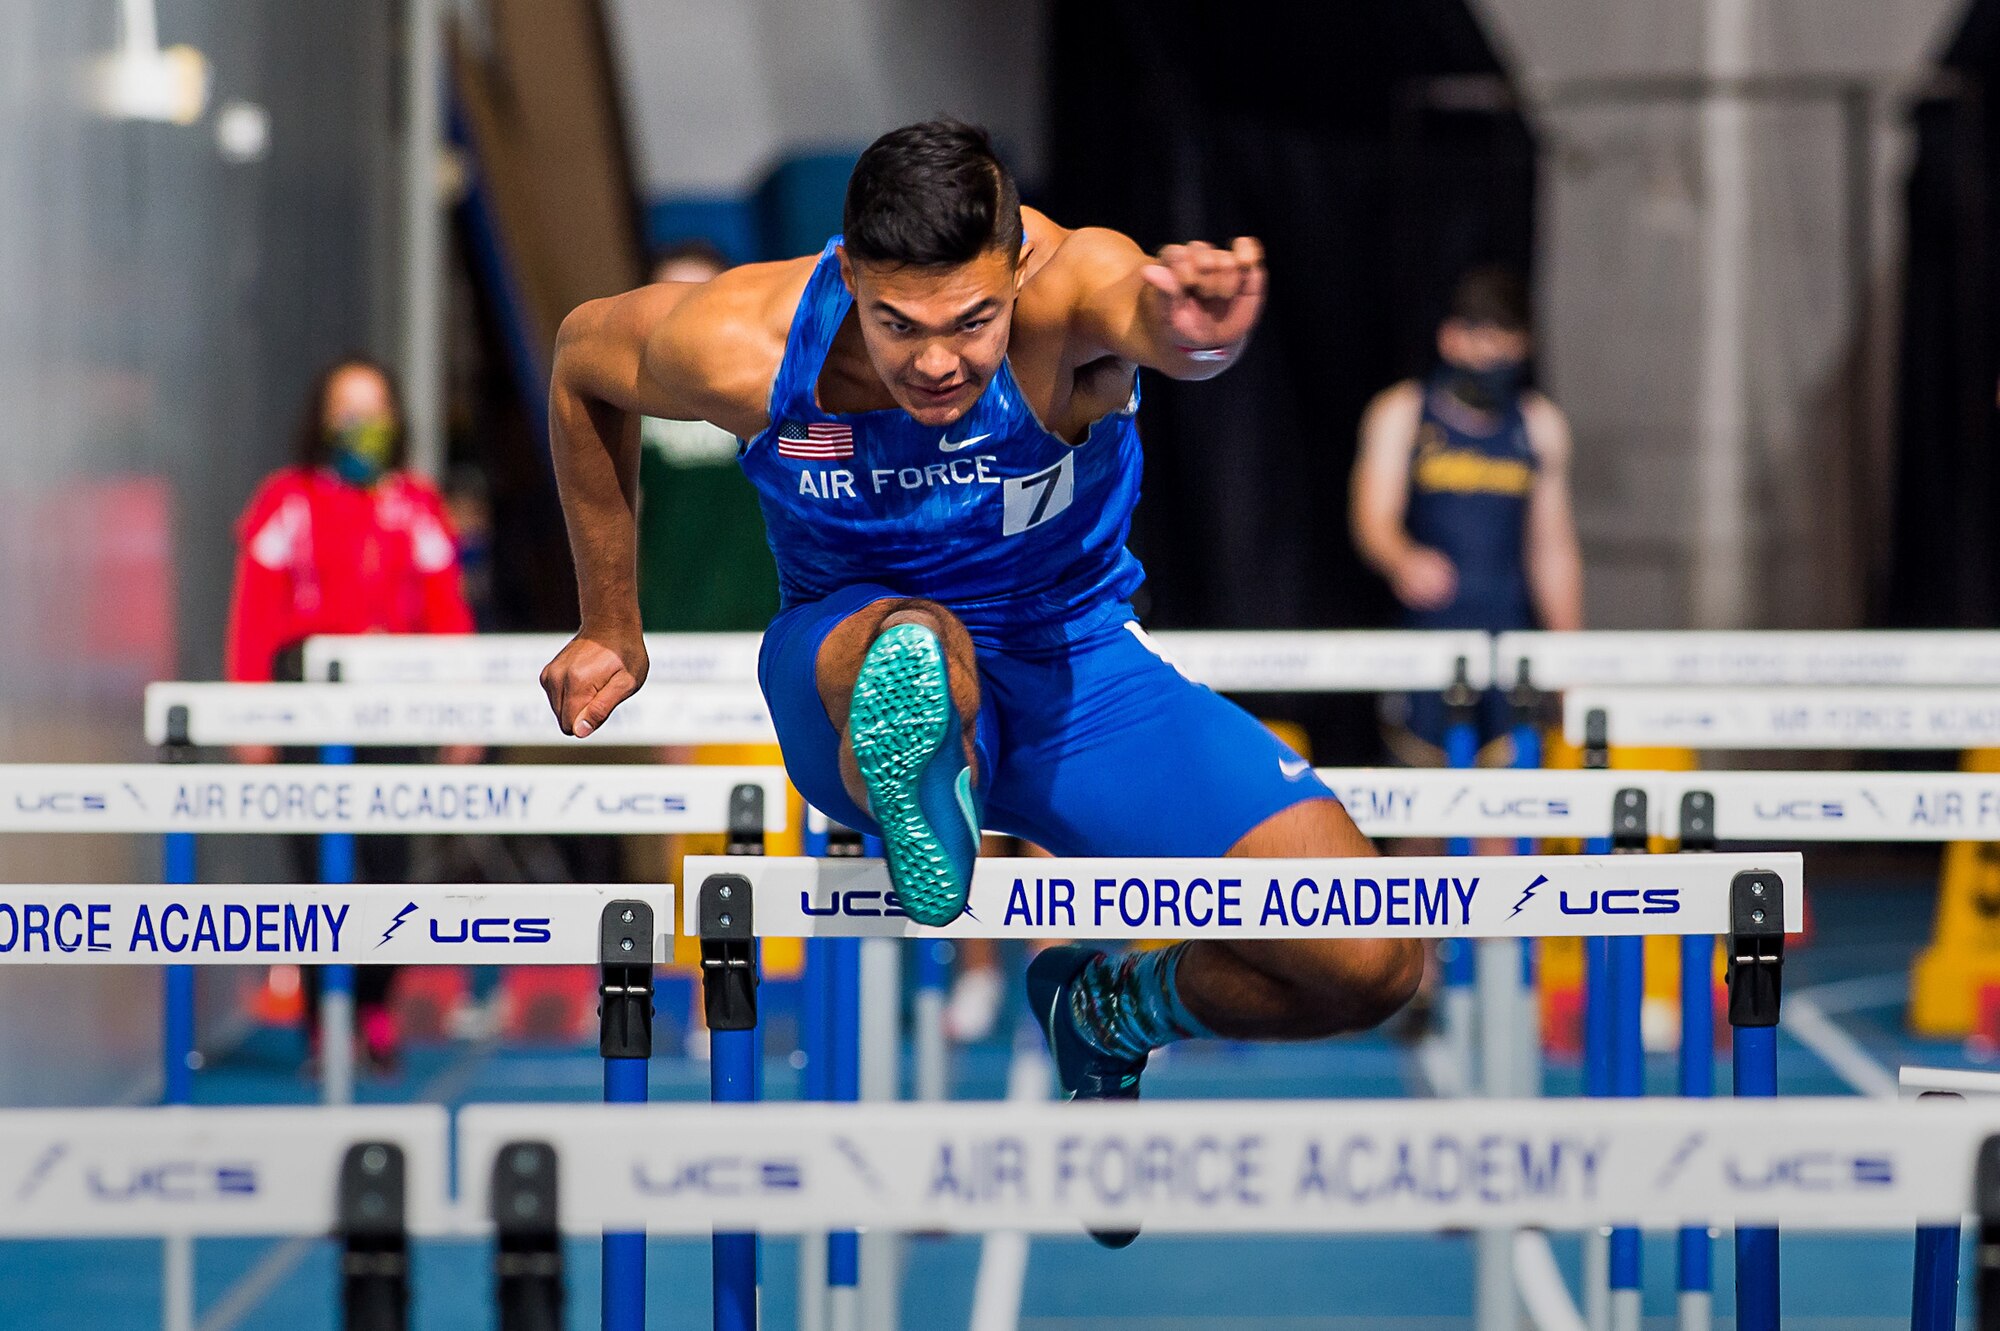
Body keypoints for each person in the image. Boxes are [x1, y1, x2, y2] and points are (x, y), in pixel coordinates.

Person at [536, 121, 1421, 1216]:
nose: (937, 361)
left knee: (1370, 960)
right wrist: (609, 624)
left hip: (1076, 669)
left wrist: (1203, 333)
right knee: (913, 644)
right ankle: (923, 782)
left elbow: (1159, 322)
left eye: (971, 319)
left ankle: (1109, 1009)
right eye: (897, 324)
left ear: (1016, 269)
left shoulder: (1072, 287)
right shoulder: (748, 343)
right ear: (848, 273)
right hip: (848, 665)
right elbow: (581, 362)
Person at [225, 355, 478, 1070]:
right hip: (308, 712)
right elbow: (254, 615)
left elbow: (448, 615)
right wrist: (250, 715)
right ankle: (318, 1018)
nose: (361, 425)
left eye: (374, 408)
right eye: (347, 409)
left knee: (390, 864)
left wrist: (465, 712)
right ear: (322, 418)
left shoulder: (417, 506)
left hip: (394, 711)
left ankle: (372, 1006)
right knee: (316, 871)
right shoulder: (286, 501)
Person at [1350, 266, 1583, 764]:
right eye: (1482, 337)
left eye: (1508, 340)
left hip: (1508, 636)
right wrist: (1402, 559)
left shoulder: (1538, 426)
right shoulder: (1404, 413)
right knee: (1420, 822)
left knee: (1505, 815)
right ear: (1451, 337)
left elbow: (1553, 549)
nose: (1493, 355)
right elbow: (1372, 517)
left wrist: (1569, 659)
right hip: (1428, 633)